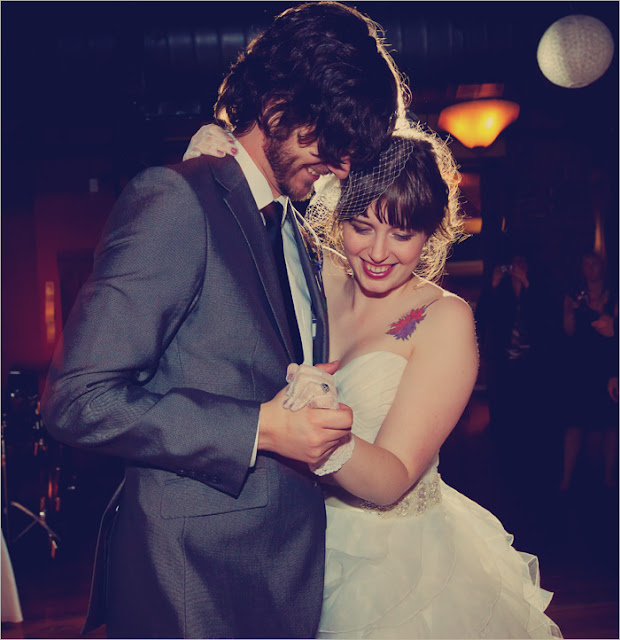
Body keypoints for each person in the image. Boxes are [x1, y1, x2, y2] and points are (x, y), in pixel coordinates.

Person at [41, 3, 407, 638]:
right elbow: (77, 400)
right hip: (190, 586)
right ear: (277, 105)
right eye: (332, 139)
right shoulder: (176, 200)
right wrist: (259, 428)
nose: (343, 165)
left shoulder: (291, 227)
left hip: (278, 577)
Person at [187, 122, 562, 638]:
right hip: (298, 546)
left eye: (402, 234)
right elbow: (231, 269)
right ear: (339, 215)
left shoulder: (444, 319)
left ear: (429, 234)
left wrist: (320, 426)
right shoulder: (318, 276)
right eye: (362, 226)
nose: (379, 252)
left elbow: (391, 478)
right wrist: (213, 177)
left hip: (398, 570)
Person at [559, 251, 618, 490]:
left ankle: (608, 477)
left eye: (594, 264)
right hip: (581, 365)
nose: (590, 268)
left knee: (610, 423)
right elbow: (569, 331)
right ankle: (566, 479)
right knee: (574, 421)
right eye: (586, 264)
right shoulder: (576, 295)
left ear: (602, 266)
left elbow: (613, 332)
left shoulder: (613, 295)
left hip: (606, 366)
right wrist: (568, 311)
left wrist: (604, 314)